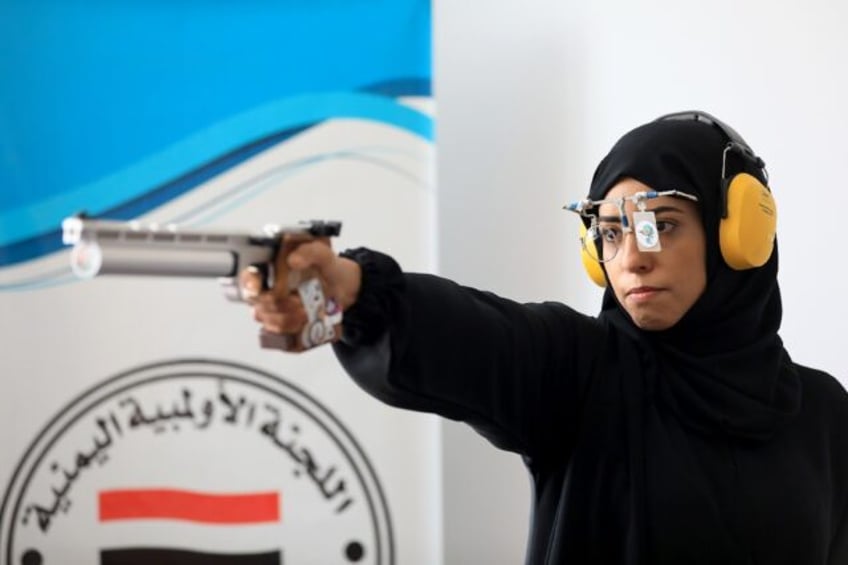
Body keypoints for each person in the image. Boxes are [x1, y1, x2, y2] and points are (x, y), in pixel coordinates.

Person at [246, 111, 848, 564]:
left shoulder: (824, 415)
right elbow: (476, 335)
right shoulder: (581, 371)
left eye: (660, 225)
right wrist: (350, 290)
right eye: (610, 234)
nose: (631, 259)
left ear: (738, 237)